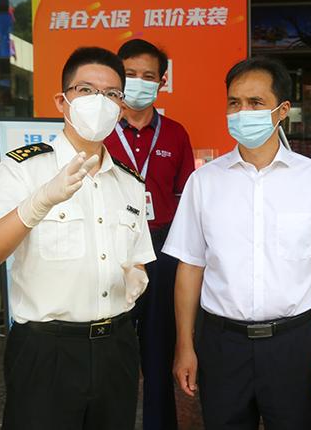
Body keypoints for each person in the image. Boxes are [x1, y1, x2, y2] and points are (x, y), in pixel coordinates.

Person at [164, 56, 311, 430]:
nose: (243, 112)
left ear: (282, 110)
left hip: (293, 344)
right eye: (234, 103)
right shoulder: (204, 182)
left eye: (256, 103)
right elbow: (189, 268)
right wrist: (185, 346)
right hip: (222, 344)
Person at [0, 47, 156, 430]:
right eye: (86, 90)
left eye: (111, 94)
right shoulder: (22, 169)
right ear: (62, 101)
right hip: (46, 350)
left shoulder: (130, 183)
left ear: (121, 108)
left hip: (116, 346)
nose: (99, 102)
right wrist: (39, 202)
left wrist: (136, 274)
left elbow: (136, 257)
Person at [103, 38, 194, 430]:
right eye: (130, 75)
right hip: (111, 248)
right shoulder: (99, 130)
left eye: (148, 75)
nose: (138, 82)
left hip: (162, 248)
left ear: (162, 81)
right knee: (113, 345)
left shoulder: (175, 134)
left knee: (159, 348)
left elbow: (185, 199)